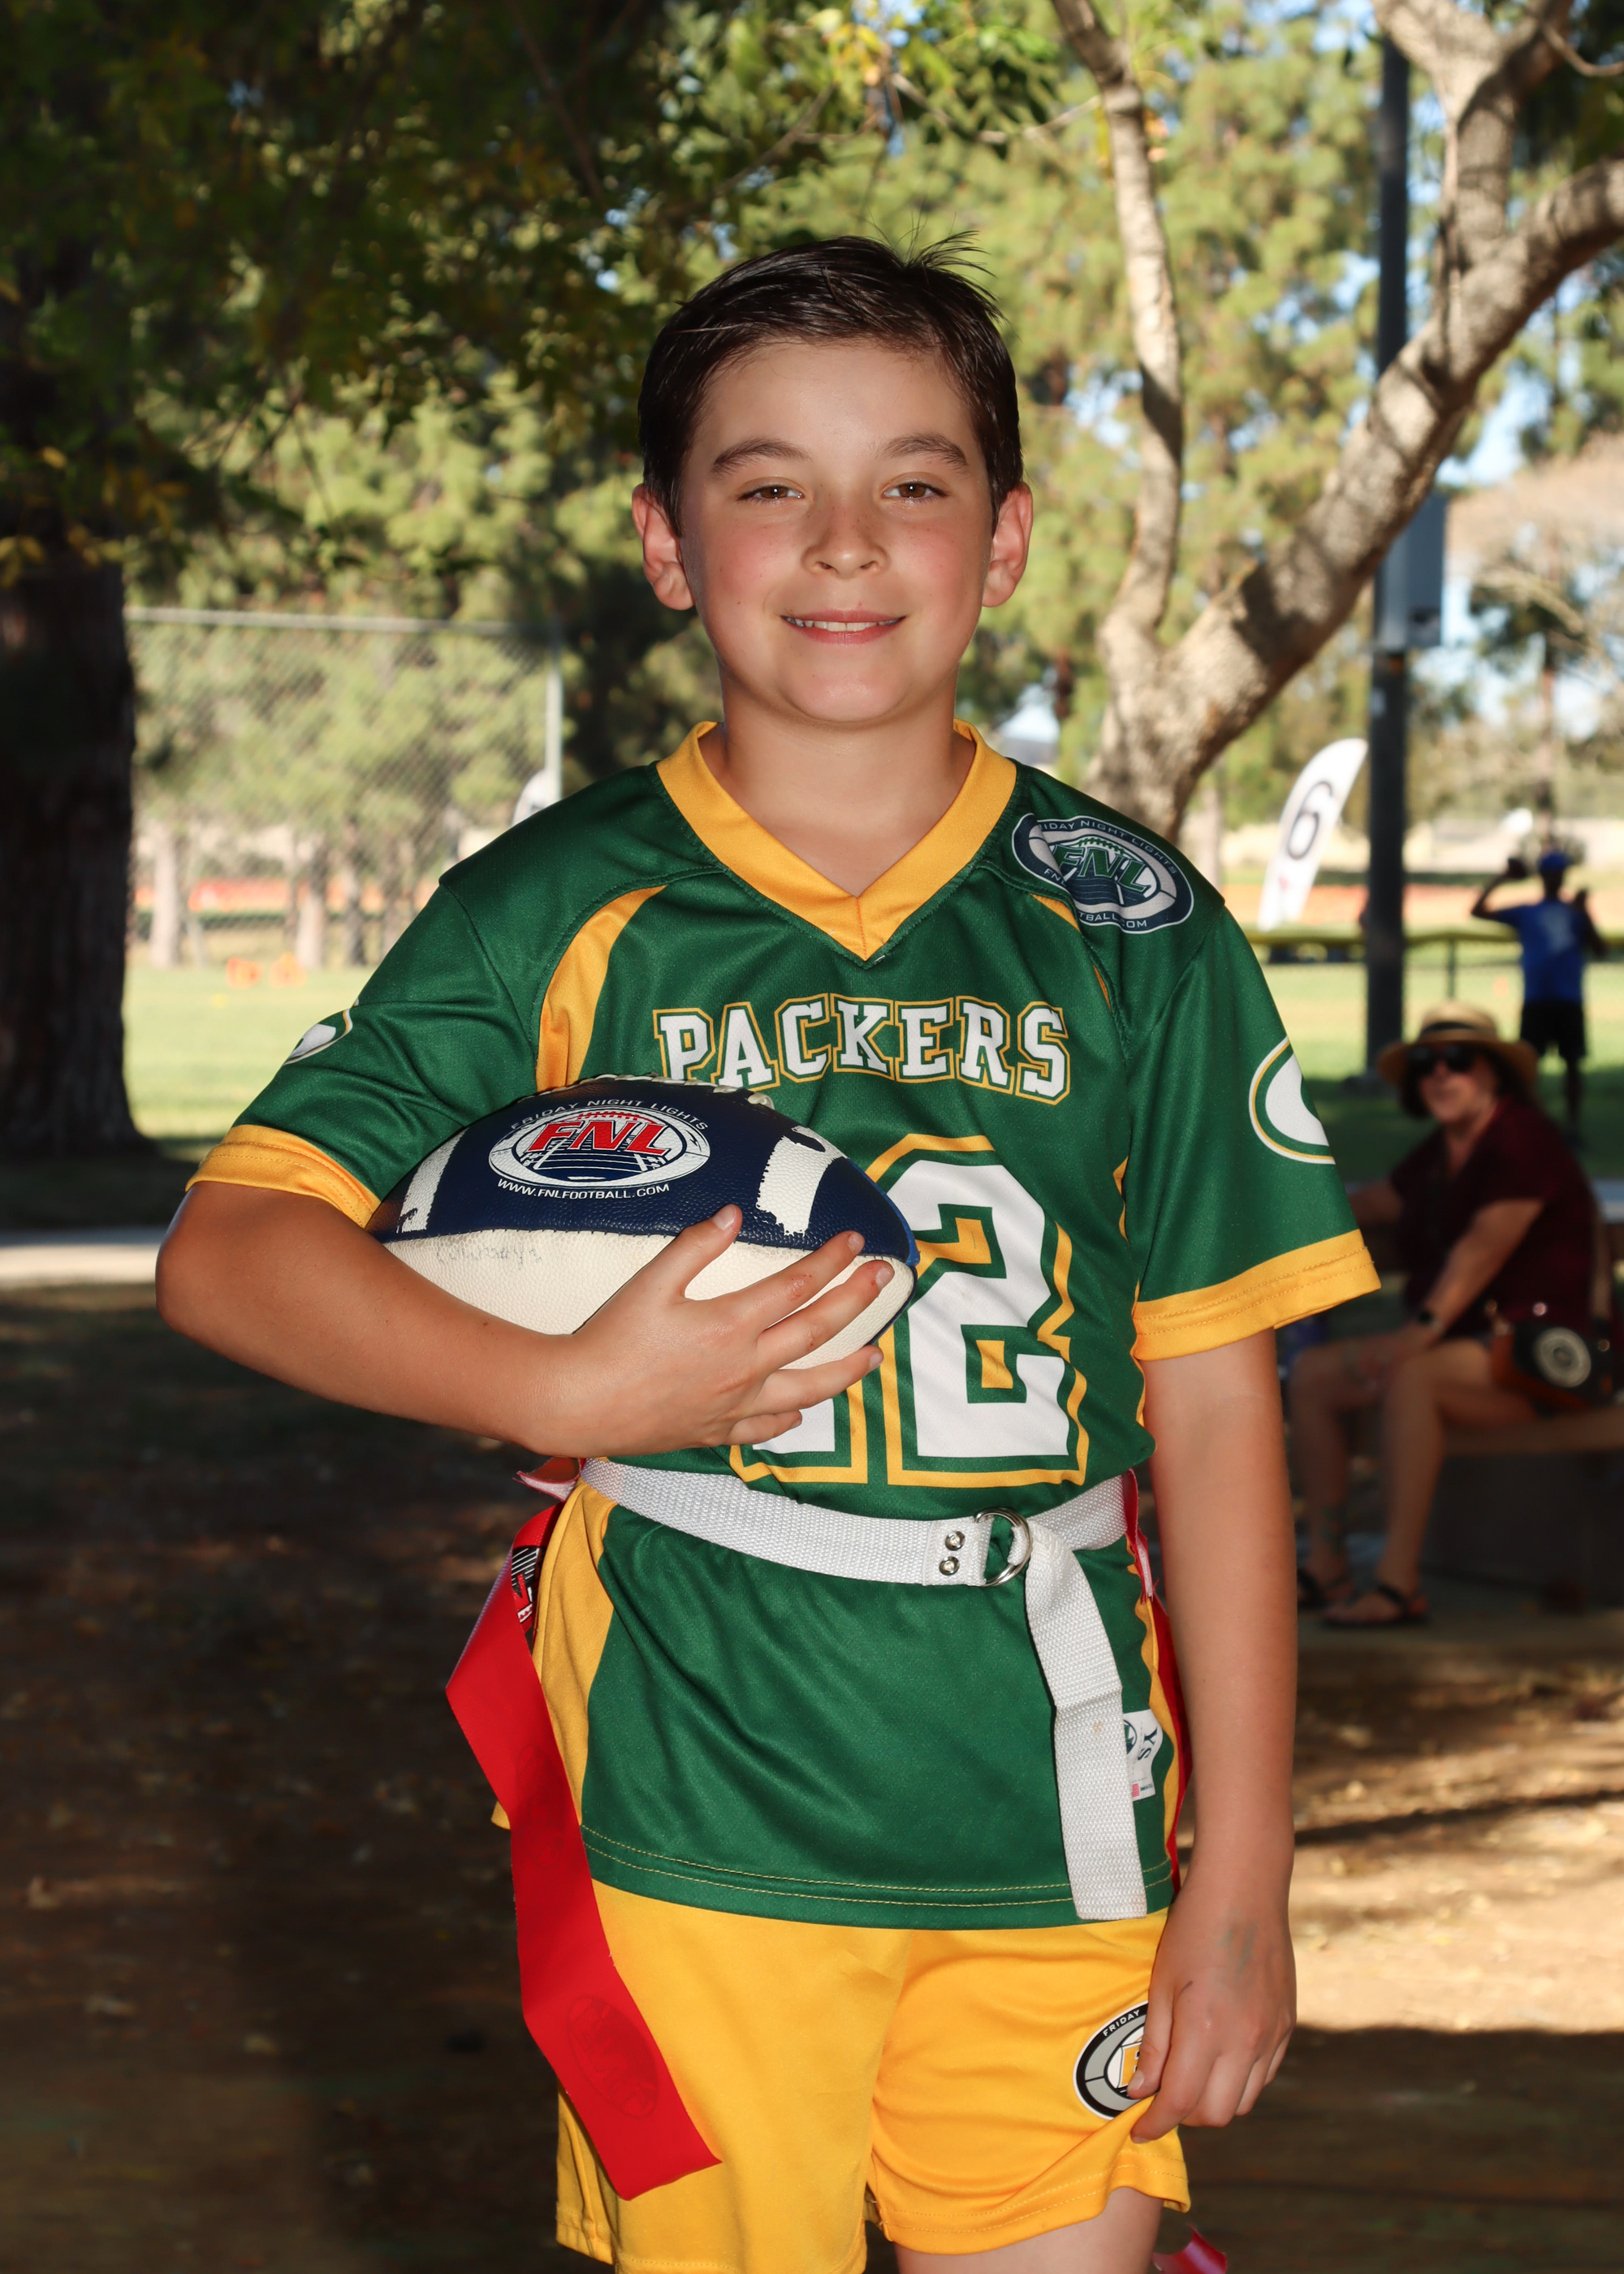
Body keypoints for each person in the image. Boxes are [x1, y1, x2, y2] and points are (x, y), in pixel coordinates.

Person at [157, 239, 1378, 2274]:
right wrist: (561, 1386)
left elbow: (1213, 1402)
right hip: (698, 1769)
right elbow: (230, 1251)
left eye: (911, 483)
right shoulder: (556, 902)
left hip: (1055, 1767)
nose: (842, 542)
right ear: (664, 540)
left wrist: (1243, 1866)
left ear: (1002, 540)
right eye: (764, 484)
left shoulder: (1132, 923)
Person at [1290, 1003, 1604, 1629]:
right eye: (1426, 1064)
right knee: (1315, 1375)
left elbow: (1482, 1250)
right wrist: (1286, 1212)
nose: (1440, 1074)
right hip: (1472, 1354)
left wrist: (1417, 1335)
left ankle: (1398, 1584)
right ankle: (1326, 1564)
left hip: (1552, 1358)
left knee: (1414, 1379)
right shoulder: (1440, 1154)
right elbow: (1375, 1203)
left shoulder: (1523, 1140)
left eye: (1459, 1059)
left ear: (1494, 1073)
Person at [1471, 848, 1606, 1139]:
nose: (1555, 878)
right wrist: (1502, 879)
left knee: (1573, 1065)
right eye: (1550, 873)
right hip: (1537, 999)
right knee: (1528, 1068)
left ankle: (1572, 1128)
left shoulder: (1574, 911)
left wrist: (1586, 913)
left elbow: (1600, 949)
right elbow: (1477, 911)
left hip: (1568, 998)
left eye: (1559, 873)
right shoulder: (1527, 911)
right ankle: (1530, 1127)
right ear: (1542, 876)